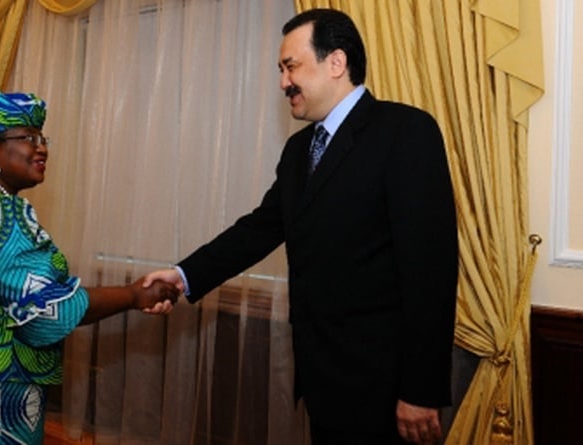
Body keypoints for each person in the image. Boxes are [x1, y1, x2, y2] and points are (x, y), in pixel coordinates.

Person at [144, 8, 458, 445]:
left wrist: (420, 390)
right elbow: (259, 228)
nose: (283, 82)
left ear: (336, 63)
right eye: (280, 69)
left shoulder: (405, 131)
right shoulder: (298, 151)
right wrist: (183, 276)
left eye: (291, 67)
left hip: (386, 387)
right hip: (321, 380)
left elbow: (431, 272)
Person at [0, 86, 177, 444]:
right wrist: (135, 294)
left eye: (42, 137)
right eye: (28, 137)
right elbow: (47, 309)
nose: (42, 147)